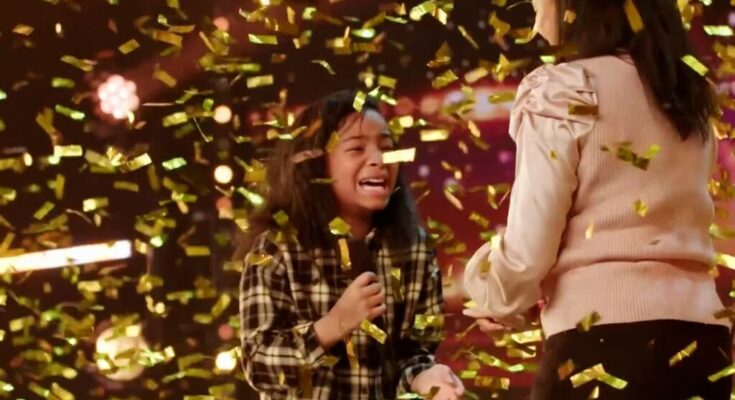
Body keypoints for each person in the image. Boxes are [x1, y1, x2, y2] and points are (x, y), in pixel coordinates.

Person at [462, 0, 732, 399]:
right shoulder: (689, 94)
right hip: (704, 344)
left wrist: (491, 290)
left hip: (600, 346)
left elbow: (527, 253)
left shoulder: (562, 89)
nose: (534, 7)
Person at [237, 89, 464, 399]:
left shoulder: (414, 248)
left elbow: (415, 353)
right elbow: (258, 364)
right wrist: (335, 324)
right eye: (357, 148)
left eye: (386, 147)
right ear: (317, 164)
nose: (378, 159)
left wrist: (426, 379)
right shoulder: (276, 249)